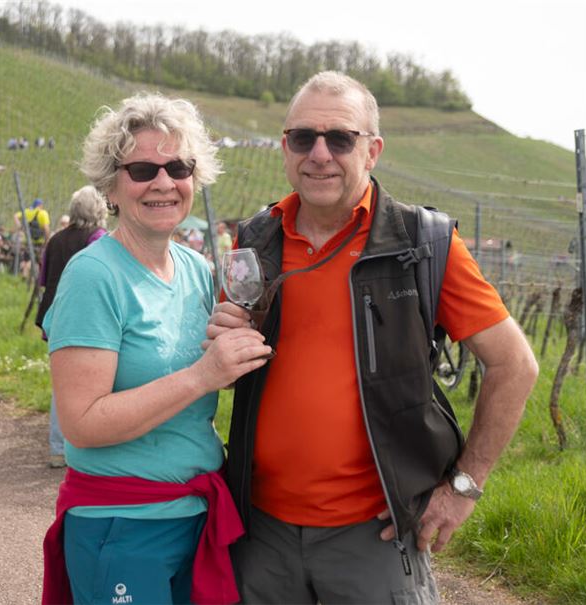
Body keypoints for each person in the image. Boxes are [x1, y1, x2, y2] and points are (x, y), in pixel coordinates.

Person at [206, 71, 539, 604]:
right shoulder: (257, 238)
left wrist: (462, 488)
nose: (319, 154)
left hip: (374, 537)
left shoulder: (421, 244)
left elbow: (515, 365)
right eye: (302, 138)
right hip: (260, 532)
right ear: (284, 147)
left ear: (373, 150)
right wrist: (221, 348)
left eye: (340, 138)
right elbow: (234, 369)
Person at [40, 93, 267, 605]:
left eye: (178, 167)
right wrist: (204, 375)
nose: (163, 182)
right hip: (123, 526)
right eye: (143, 169)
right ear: (112, 186)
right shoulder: (93, 276)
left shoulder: (195, 268)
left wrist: (230, 356)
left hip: (195, 516)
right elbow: (81, 422)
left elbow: (192, 390)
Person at [34, 186, 108, 469]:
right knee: (87, 382)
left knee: (61, 382)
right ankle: (80, 447)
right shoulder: (98, 239)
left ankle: (57, 448)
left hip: (54, 314)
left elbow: (43, 279)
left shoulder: (54, 239)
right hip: (85, 316)